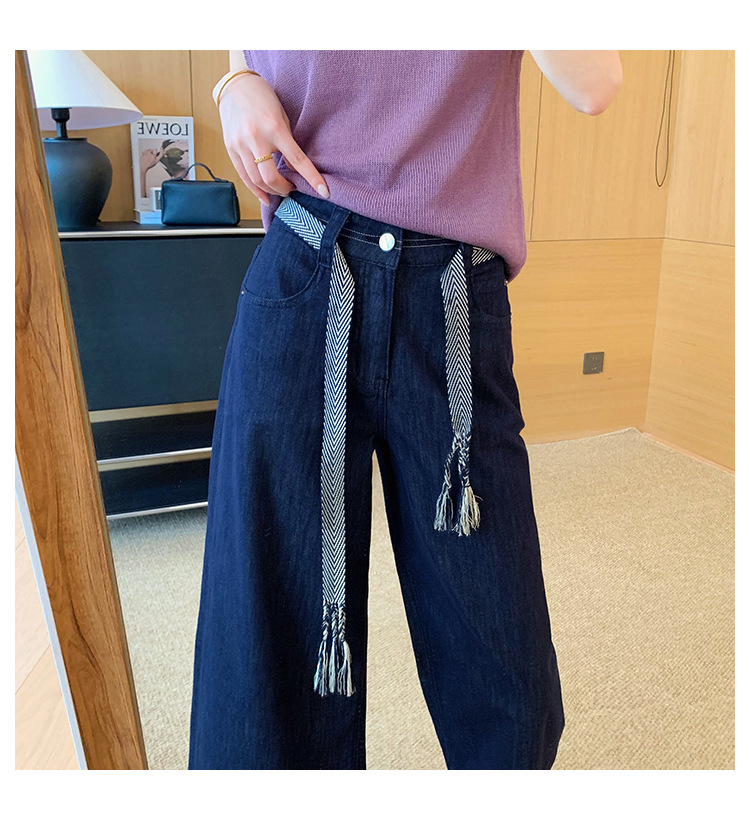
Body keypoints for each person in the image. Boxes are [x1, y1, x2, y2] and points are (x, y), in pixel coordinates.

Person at [188, 49, 622, 770]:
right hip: (305, 270)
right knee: (270, 670)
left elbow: (595, 83)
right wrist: (234, 81)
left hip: (454, 299)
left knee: (508, 675)